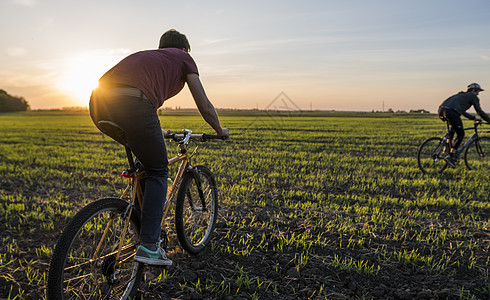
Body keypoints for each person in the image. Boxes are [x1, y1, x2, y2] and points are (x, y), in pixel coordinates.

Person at [89, 29, 230, 266]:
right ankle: (149, 245)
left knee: (144, 165)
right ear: (185, 49)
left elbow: (135, 96)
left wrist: (157, 131)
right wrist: (219, 130)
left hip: (98, 104)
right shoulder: (183, 57)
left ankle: (139, 228)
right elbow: (204, 105)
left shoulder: (149, 58)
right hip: (132, 104)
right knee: (158, 171)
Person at [438, 83, 490, 167]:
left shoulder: (462, 95)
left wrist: (473, 118)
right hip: (451, 112)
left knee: (454, 128)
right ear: (474, 90)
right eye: (478, 92)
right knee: (461, 134)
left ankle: (448, 147)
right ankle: (451, 156)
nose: (478, 94)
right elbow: (479, 111)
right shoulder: (473, 96)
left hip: (442, 110)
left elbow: (462, 112)